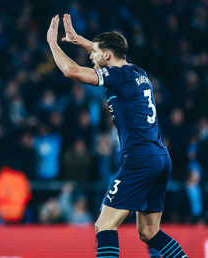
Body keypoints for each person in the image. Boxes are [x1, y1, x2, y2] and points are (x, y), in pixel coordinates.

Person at [47, 14, 187, 258]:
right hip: (160, 158)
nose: (91, 57)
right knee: (149, 232)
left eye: (95, 54)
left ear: (108, 56)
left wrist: (53, 44)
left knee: (104, 225)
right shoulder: (137, 72)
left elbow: (72, 71)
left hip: (139, 160)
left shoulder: (117, 76)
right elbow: (106, 52)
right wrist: (80, 40)